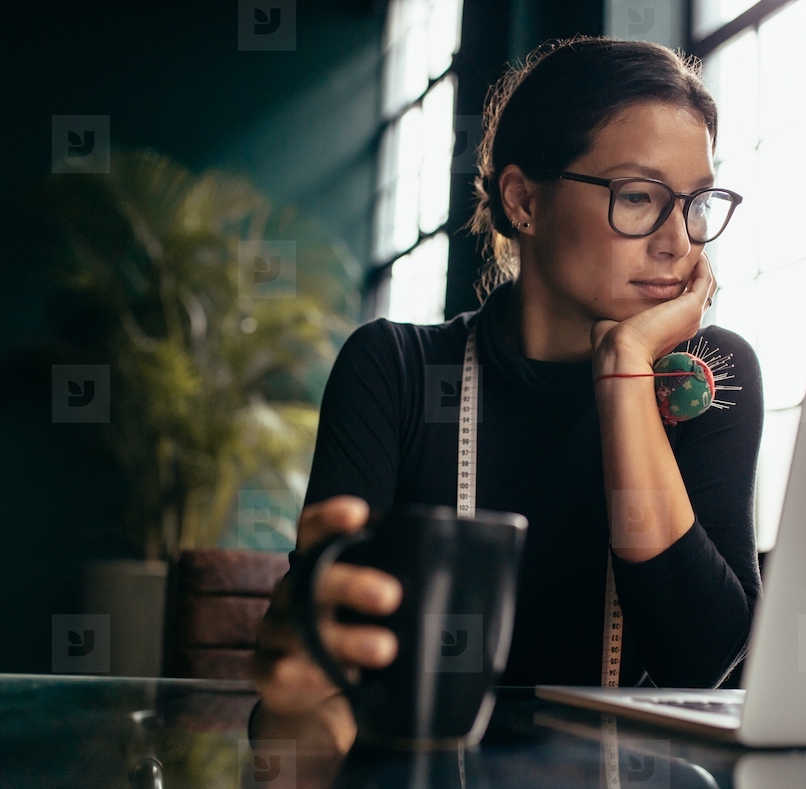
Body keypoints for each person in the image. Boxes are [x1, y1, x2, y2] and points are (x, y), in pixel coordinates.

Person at [250, 34, 765, 753]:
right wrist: (301, 681)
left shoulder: (707, 374)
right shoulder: (395, 370)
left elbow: (702, 664)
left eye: (696, 203)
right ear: (523, 200)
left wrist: (624, 370)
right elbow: (322, 681)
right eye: (639, 197)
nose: (679, 242)